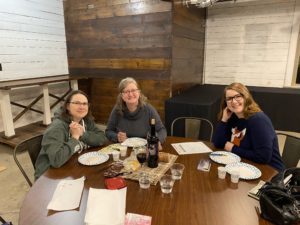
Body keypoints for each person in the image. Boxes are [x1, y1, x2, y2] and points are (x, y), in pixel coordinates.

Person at [35, 90, 107, 179]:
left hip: (72, 167)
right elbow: (56, 160)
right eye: (77, 103)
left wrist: (82, 135)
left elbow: (102, 138)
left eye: (85, 104)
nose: (82, 107)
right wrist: (75, 137)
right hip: (49, 176)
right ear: (68, 106)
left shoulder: (85, 120)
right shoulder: (57, 128)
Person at [212, 83, 284, 171]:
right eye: (229, 99)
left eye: (237, 96)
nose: (234, 101)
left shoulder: (258, 120)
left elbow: (263, 157)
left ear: (246, 97)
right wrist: (223, 120)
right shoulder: (232, 117)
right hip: (246, 166)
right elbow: (218, 143)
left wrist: (232, 148)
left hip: (270, 172)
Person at [105, 77, 167, 145]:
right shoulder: (117, 110)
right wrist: (117, 137)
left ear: (139, 93)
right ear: (122, 96)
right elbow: (108, 131)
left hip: (145, 147)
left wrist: (158, 141)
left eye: (133, 90)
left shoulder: (149, 109)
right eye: (126, 91)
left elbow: (162, 130)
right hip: (124, 148)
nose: (130, 94)